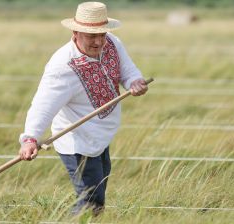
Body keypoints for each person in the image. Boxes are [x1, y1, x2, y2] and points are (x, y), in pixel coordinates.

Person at [18, 1, 148, 216]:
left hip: (102, 135)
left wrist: (135, 81)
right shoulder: (62, 66)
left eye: (102, 34)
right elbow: (43, 105)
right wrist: (30, 138)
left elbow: (128, 70)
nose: (98, 41)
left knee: (98, 195)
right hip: (77, 142)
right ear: (76, 32)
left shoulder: (113, 43)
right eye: (91, 35)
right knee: (91, 203)